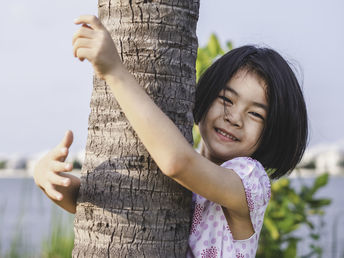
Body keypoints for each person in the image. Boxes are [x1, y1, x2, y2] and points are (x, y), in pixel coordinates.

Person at [33, 15, 308, 257]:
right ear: (207, 95)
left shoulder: (250, 180)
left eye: (256, 114)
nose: (234, 118)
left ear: (273, 130)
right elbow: (130, 210)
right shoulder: (189, 173)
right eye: (227, 99)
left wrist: (115, 72)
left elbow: (177, 162)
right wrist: (52, 181)